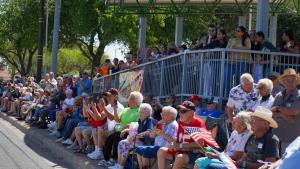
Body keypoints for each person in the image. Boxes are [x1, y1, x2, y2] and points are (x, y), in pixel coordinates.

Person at [98, 91, 143, 167]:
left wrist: (128, 126)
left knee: (116, 139)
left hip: (130, 132)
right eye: (129, 98)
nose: (129, 100)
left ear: (137, 101)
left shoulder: (139, 110)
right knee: (109, 139)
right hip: (120, 130)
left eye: (132, 99)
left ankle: (113, 159)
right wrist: (115, 109)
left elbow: (137, 123)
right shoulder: (126, 109)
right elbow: (117, 120)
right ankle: (106, 159)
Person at [157, 101, 206, 169]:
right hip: (180, 151)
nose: (180, 114)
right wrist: (173, 144)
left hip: (193, 153)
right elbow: (178, 138)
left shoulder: (198, 123)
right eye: (180, 111)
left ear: (192, 112)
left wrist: (180, 146)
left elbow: (200, 143)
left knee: (180, 157)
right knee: (161, 151)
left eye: (183, 111)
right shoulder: (181, 122)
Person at [109, 103, 157, 169]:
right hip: (138, 140)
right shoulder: (140, 120)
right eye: (140, 111)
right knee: (121, 143)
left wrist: (136, 136)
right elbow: (137, 129)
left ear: (147, 113)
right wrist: (127, 130)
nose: (140, 113)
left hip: (145, 143)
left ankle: (121, 166)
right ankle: (118, 164)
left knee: (125, 145)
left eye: (142, 112)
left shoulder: (149, 120)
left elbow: (149, 131)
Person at [271, 68, 300, 152]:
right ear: (283, 82)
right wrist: (283, 114)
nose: (290, 83)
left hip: (291, 139)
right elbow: (271, 113)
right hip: (276, 137)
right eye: (287, 80)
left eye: (292, 80)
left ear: (296, 82)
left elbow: (293, 112)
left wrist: (278, 109)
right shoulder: (278, 95)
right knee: (274, 163)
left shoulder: (299, 95)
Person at [225, 26, 252, 95]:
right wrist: (231, 48)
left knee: (239, 80)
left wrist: (237, 48)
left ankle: (239, 95)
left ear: (242, 33)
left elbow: (248, 47)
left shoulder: (246, 39)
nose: (236, 32)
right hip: (230, 62)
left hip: (241, 62)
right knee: (227, 79)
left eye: (238, 31)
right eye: (236, 30)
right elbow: (226, 50)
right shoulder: (231, 39)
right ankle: (228, 96)